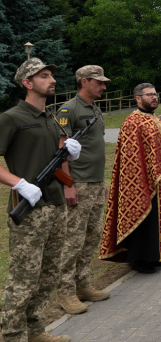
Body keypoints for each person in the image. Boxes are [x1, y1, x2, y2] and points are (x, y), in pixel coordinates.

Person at [0, 58, 80, 342]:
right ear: (27, 83)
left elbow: (55, 160)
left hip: (56, 204)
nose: (52, 80)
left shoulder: (51, 117)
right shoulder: (11, 118)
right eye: (44, 76)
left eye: (51, 76)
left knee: (48, 274)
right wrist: (19, 183)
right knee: (23, 279)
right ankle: (11, 336)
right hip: (31, 209)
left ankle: (35, 330)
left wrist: (68, 153)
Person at [100, 83, 161, 274]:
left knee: (155, 219)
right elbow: (131, 159)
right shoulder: (132, 122)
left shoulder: (154, 118)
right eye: (149, 95)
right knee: (143, 218)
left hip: (159, 179)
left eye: (155, 94)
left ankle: (153, 255)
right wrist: (140, 180)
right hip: (140, 181)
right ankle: (138, 259)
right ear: (138, 98)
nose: (154, 98)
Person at [55, 66, 111, 316]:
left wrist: (102, 182)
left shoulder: (95, 108)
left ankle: (83, 284)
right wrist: (68, 184)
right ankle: (65, 291)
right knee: (73, 240)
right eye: (98, 83)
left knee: (91, 236)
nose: (104, 87)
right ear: (84, 81)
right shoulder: (69, 109)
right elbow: (60, 149)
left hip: (95, 182)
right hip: (78, 183)